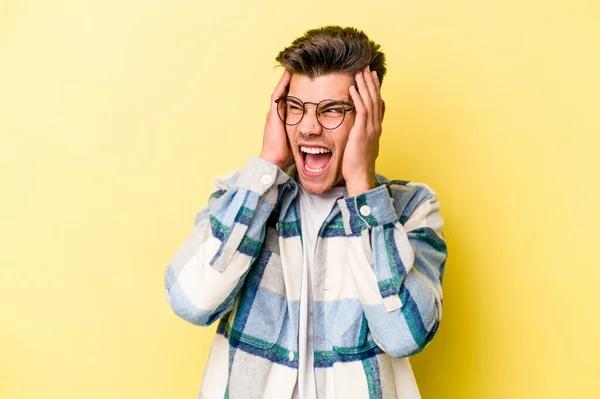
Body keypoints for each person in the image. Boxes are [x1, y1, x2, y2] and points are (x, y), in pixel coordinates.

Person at [164, 25, 448, 399]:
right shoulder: (243, 196)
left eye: (332, 110)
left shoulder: (412, 208)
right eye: (295, 108)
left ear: (371, 117)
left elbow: (403, 334)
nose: (310, 127)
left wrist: (362, 184)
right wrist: (267, 165)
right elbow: (191, 302)